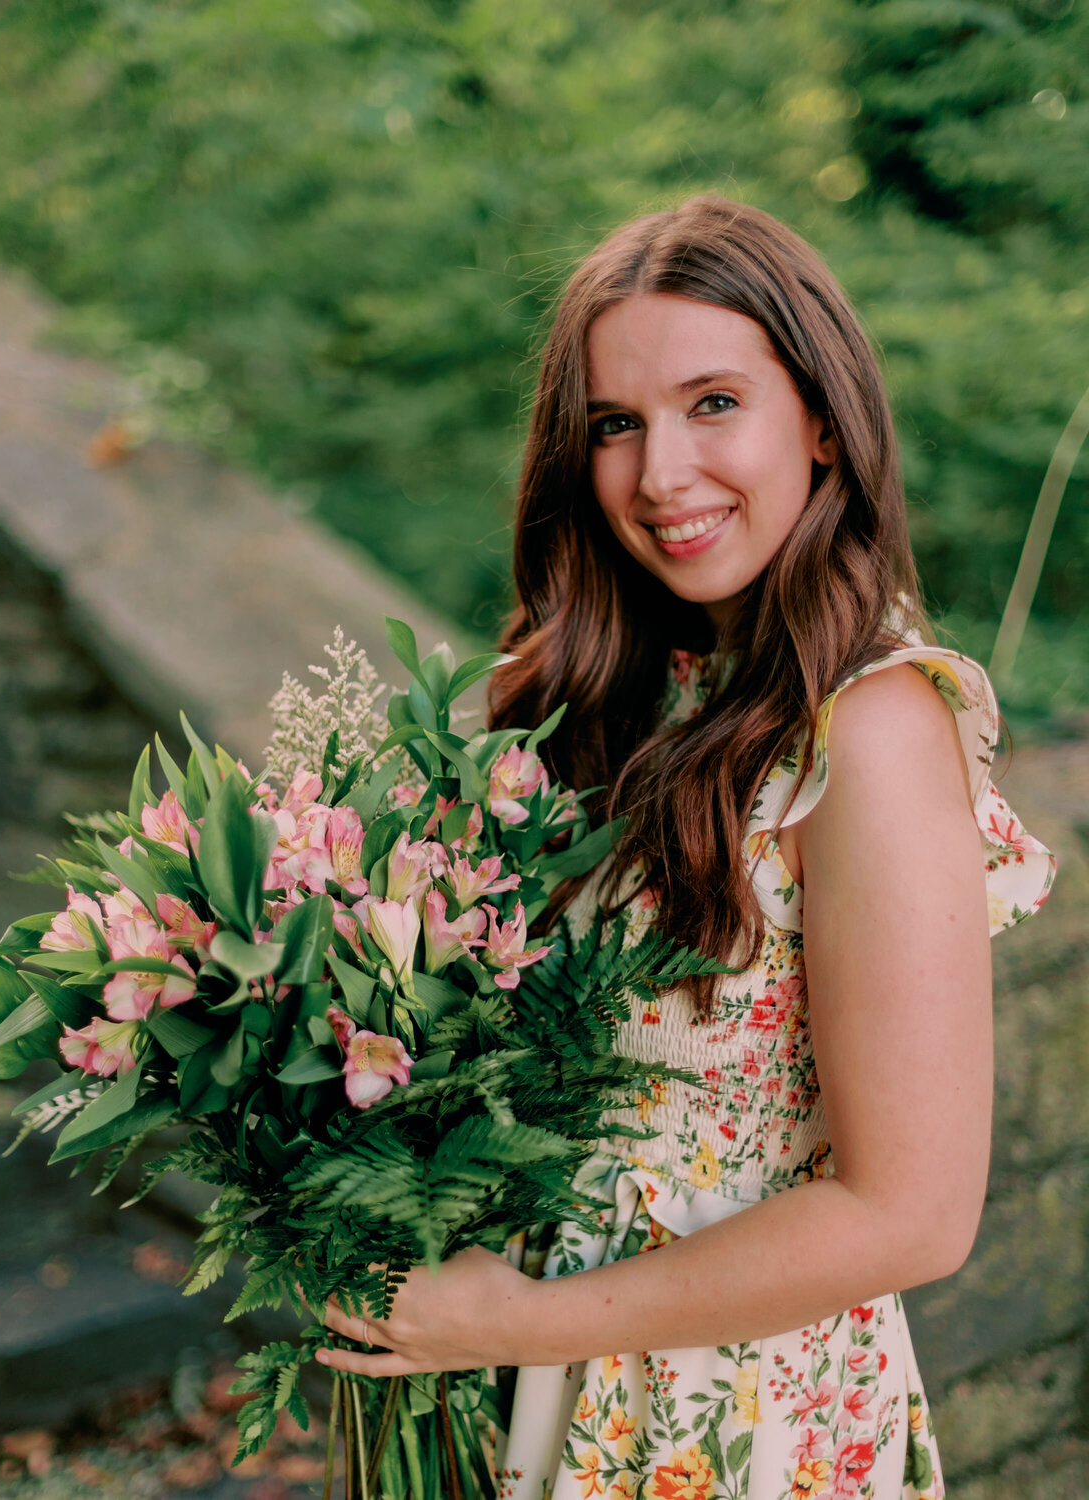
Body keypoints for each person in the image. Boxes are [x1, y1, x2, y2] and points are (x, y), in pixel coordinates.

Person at [317, 195, 1056, 1498]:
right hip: (505, 1382)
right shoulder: (580, 695)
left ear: (821, 417)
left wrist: (509, 1322)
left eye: (714, 402)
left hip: (731, 1423)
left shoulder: (870, 730)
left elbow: (917, 1215)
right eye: (617, 423)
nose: (661, 475)